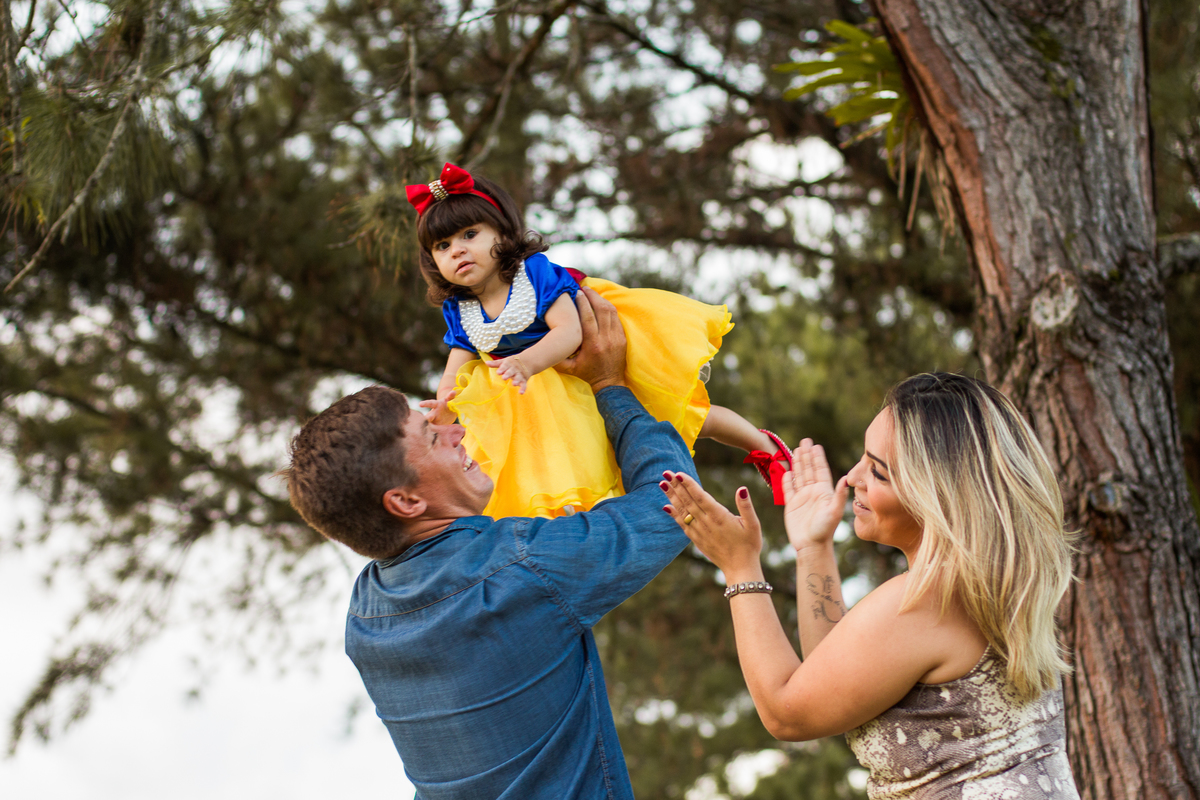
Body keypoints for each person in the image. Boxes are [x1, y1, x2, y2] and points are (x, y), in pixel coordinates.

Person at [283, 288, 699, 799]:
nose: (456, 432)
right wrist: (610, 385)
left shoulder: (364, 621)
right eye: (431, 437)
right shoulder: (521, 568)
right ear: (406, 502)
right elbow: (672, 505)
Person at [661, 372, 1079, 798]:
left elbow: (788, 714)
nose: (851, 476)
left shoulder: (927, 600)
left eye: (878, 472)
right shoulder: (981, 587)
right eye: (863, 457)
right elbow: (829, 679)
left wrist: (740, 567)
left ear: (937, 495)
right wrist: (813, 547)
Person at [408, 162, 791, 519]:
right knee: (564, 456)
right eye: (443, 246)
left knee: (682, 415)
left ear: (502, 232)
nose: (457, 250)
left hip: (591, 354)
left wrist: (525, 363)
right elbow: (454, 370)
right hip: (541, 394)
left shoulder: (533, 273)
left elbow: (568, 331)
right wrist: (445, 405)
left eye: (469, 234)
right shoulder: (461, 309)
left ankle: (766, 448)